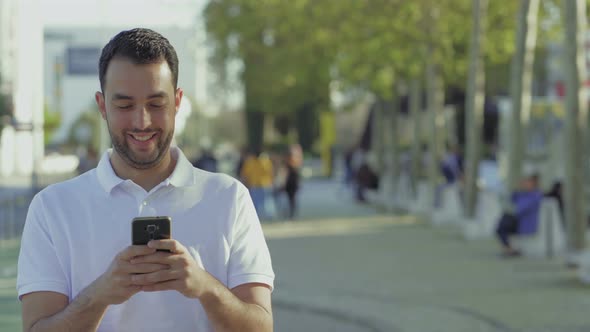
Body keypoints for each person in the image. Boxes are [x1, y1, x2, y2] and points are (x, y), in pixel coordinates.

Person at [17, 28, 274, 332]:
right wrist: (100, 294)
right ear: (102, 106)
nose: (142, 122)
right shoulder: (51, 208)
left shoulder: (230, 198)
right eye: (125, 105)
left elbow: (261, 327)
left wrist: (205, 287)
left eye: (156, 104)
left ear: (177, 102)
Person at [495, 173, 543, 257]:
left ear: (533, 184)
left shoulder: (535, 196)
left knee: (503, 223)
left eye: (527, 182)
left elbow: (519, 210)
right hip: (518, 221)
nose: (524, 184)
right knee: (503, 222)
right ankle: (508, 248)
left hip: (525, 223)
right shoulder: (522, 194)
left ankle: (508, 248)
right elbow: (510, 200)